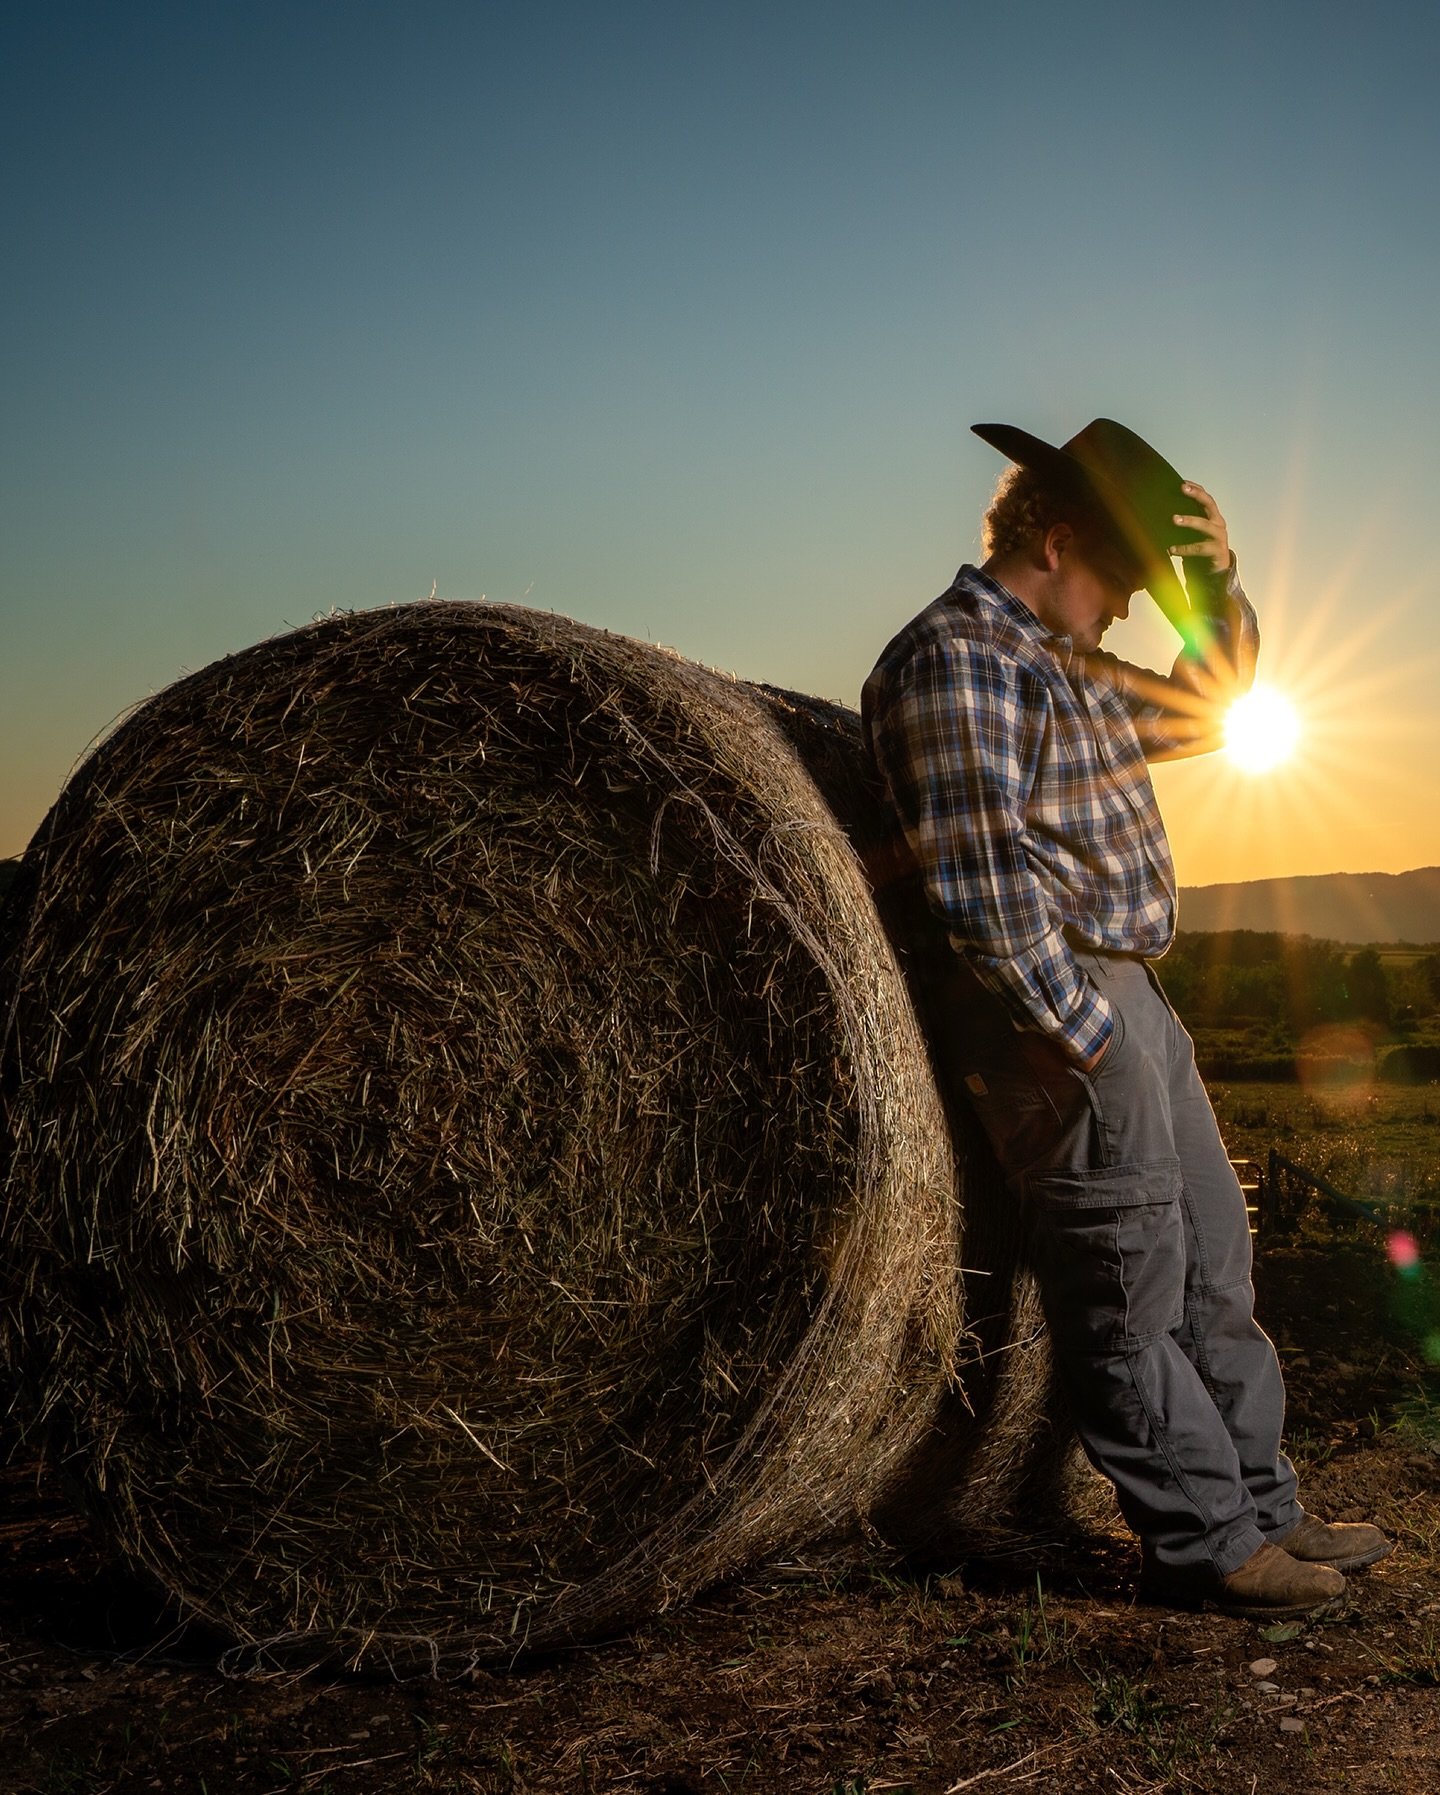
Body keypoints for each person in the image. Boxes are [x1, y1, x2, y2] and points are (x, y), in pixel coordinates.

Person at [861, 418, 1392, 1617]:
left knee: (1212, 1260)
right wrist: (1086, 1038)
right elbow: (980, 883)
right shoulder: (959, 659)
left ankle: (1264, 1506)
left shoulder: (1064, 661)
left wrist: (1218, 588)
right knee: (1128, 1282)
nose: (1129, 619)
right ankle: (1205, 1545)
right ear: (1056, 543)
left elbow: (1215, 709)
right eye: (1125, 588)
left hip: (1128, 993)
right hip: (1059, 1010)